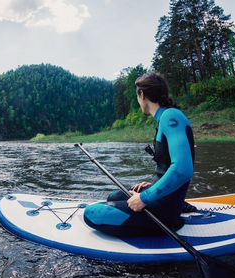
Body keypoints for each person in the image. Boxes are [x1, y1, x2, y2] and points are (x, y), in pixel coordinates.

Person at [83, 72, 195, 237]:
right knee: (114, 196)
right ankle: (177, 204)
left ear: (142, 94)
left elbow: (183, 169)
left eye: (137, 96)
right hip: (166, 198)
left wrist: (144, 198)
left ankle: (173, 213)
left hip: (163, 212)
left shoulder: (171, 117)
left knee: (91, 213)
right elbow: (168, 166)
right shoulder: (166, 117)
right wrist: (153, 185)